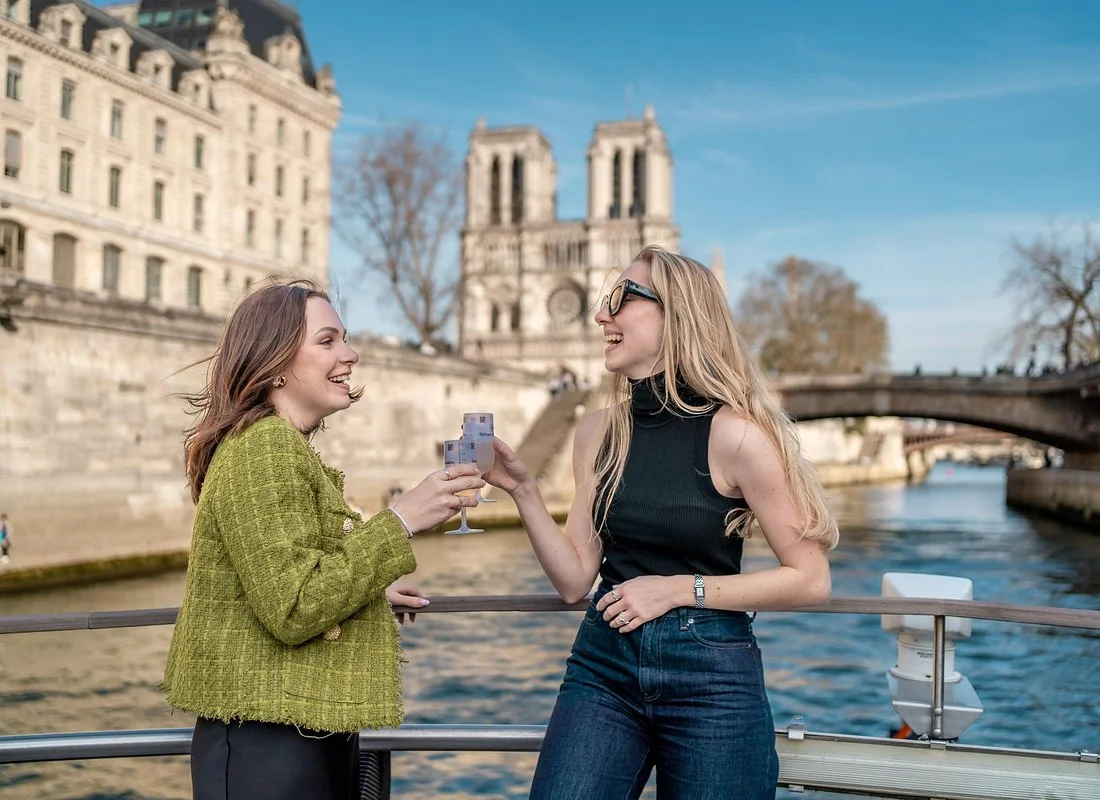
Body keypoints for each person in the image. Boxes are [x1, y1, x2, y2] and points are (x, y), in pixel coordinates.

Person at [484, 245, 838, 799]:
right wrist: (525, 493)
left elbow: (811, 579)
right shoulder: (598, 430)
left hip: (712, 675)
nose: (602, 315)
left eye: (622, 299)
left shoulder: (737, 435)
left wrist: (677, 590)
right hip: (603, 664)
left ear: (678, 315)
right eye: (605, 301)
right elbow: (576, 580)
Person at [161, 280, 484, 800]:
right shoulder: (264, 450)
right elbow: (292, 606)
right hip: (268, 744)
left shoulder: (275, 446)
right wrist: (399, 520)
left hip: (291, 728)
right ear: (276, 362)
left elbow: (283, 578)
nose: (351, 355)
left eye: (346, 340)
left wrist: (366, 594)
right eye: (328, 341)